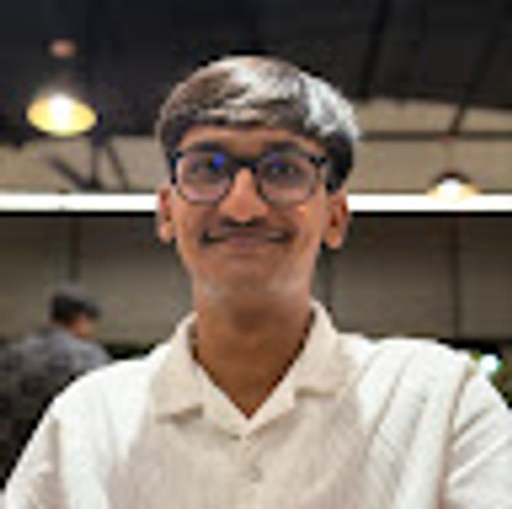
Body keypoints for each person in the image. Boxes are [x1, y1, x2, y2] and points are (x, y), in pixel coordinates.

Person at [5, 56, 512, 508]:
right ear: (166, 212)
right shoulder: (88, 423)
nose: (242, 207)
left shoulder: (437, 403)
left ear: (335, 217)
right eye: (208, 168)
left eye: (283, 169)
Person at [0, 285, 110, 486]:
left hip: (11, 472)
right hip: (59, 477)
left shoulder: (11, 353)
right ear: (82, 319)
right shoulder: (90, 359)